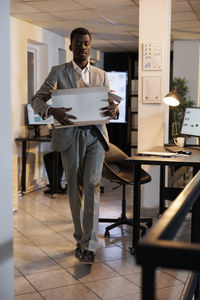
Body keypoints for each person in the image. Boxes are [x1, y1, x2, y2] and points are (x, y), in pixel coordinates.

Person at [31, 27, 119, 264]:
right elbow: (37, 99)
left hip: (95, 136)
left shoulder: (101, 75)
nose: (82, 47)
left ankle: (89, 246)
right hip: (70, 136)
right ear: (71, 46)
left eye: (86, 43)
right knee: (74, 189)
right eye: (78, 43)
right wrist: (51, 110)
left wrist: (114, 109)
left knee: (92, 184)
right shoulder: (58, 72)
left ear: (91, 46)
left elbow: (111, 105)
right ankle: (80, 237)